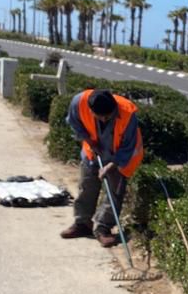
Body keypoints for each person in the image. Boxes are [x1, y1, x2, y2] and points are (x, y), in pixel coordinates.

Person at [59, 89, 144, 247]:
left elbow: (128, 146)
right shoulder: (79, 102)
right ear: (91, 110)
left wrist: (111, 165)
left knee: (114, 192)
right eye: (101, 116)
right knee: (86, 185)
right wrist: (89, 141)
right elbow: (74, 122)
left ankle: (103, 228)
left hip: (120, 157)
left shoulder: (128, 113)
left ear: (114, 108)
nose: (105, 119)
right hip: (93, 151)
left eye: (108, 116)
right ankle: (82, 223)